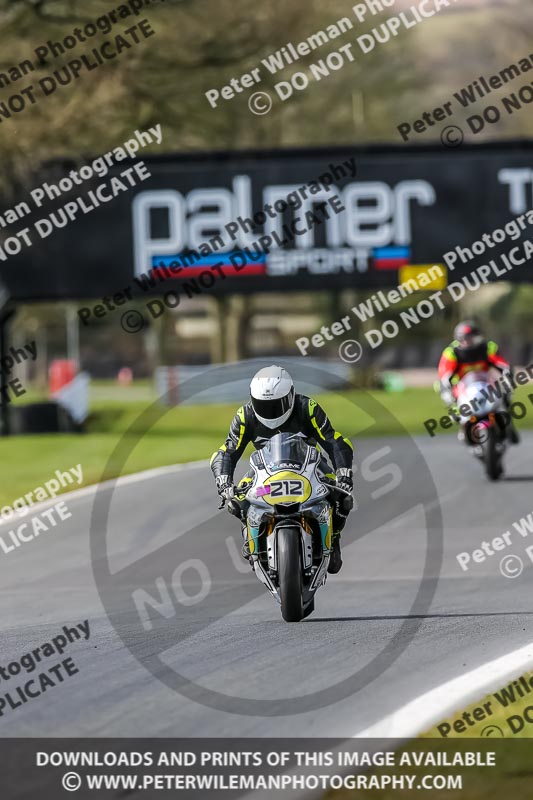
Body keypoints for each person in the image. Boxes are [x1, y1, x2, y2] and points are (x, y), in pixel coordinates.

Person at [210, 365, 354, 574]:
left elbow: (334, 441)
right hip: (263, 471)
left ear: (291, 396)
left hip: (311, 466)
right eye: (263, 405)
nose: (271, 412)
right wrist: (224, 481)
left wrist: (343, 473)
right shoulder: (245, 415)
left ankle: (333, 537)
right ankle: (252, 541)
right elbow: (227, 451)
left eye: (277, 405)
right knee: (238, 499)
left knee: (342, 497)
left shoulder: (308, 408)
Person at [438, 320, 519, 443]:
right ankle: (464, 428)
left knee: (505, 397)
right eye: (465, 338)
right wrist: (447, 394)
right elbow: (444, 376)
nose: (468, 341)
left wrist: (508, 378)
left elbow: (504, 365)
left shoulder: (488, 347)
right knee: (455, 408)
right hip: (463, 386)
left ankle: (508, 426)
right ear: (459, 338)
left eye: (471, 337)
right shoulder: (451, 353)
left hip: (486, 382)